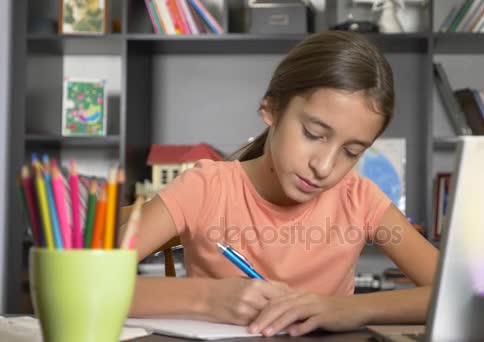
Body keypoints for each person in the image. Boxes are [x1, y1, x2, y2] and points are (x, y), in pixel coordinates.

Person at [127, 30, 438, 337]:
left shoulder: (359, 199)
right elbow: (83, 283)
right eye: (314, 135)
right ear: (271, 109)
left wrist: (346, 309)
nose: (324, 167)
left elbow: (453, 292)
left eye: (351, 152)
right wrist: (208, 298)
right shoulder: (206, 188)